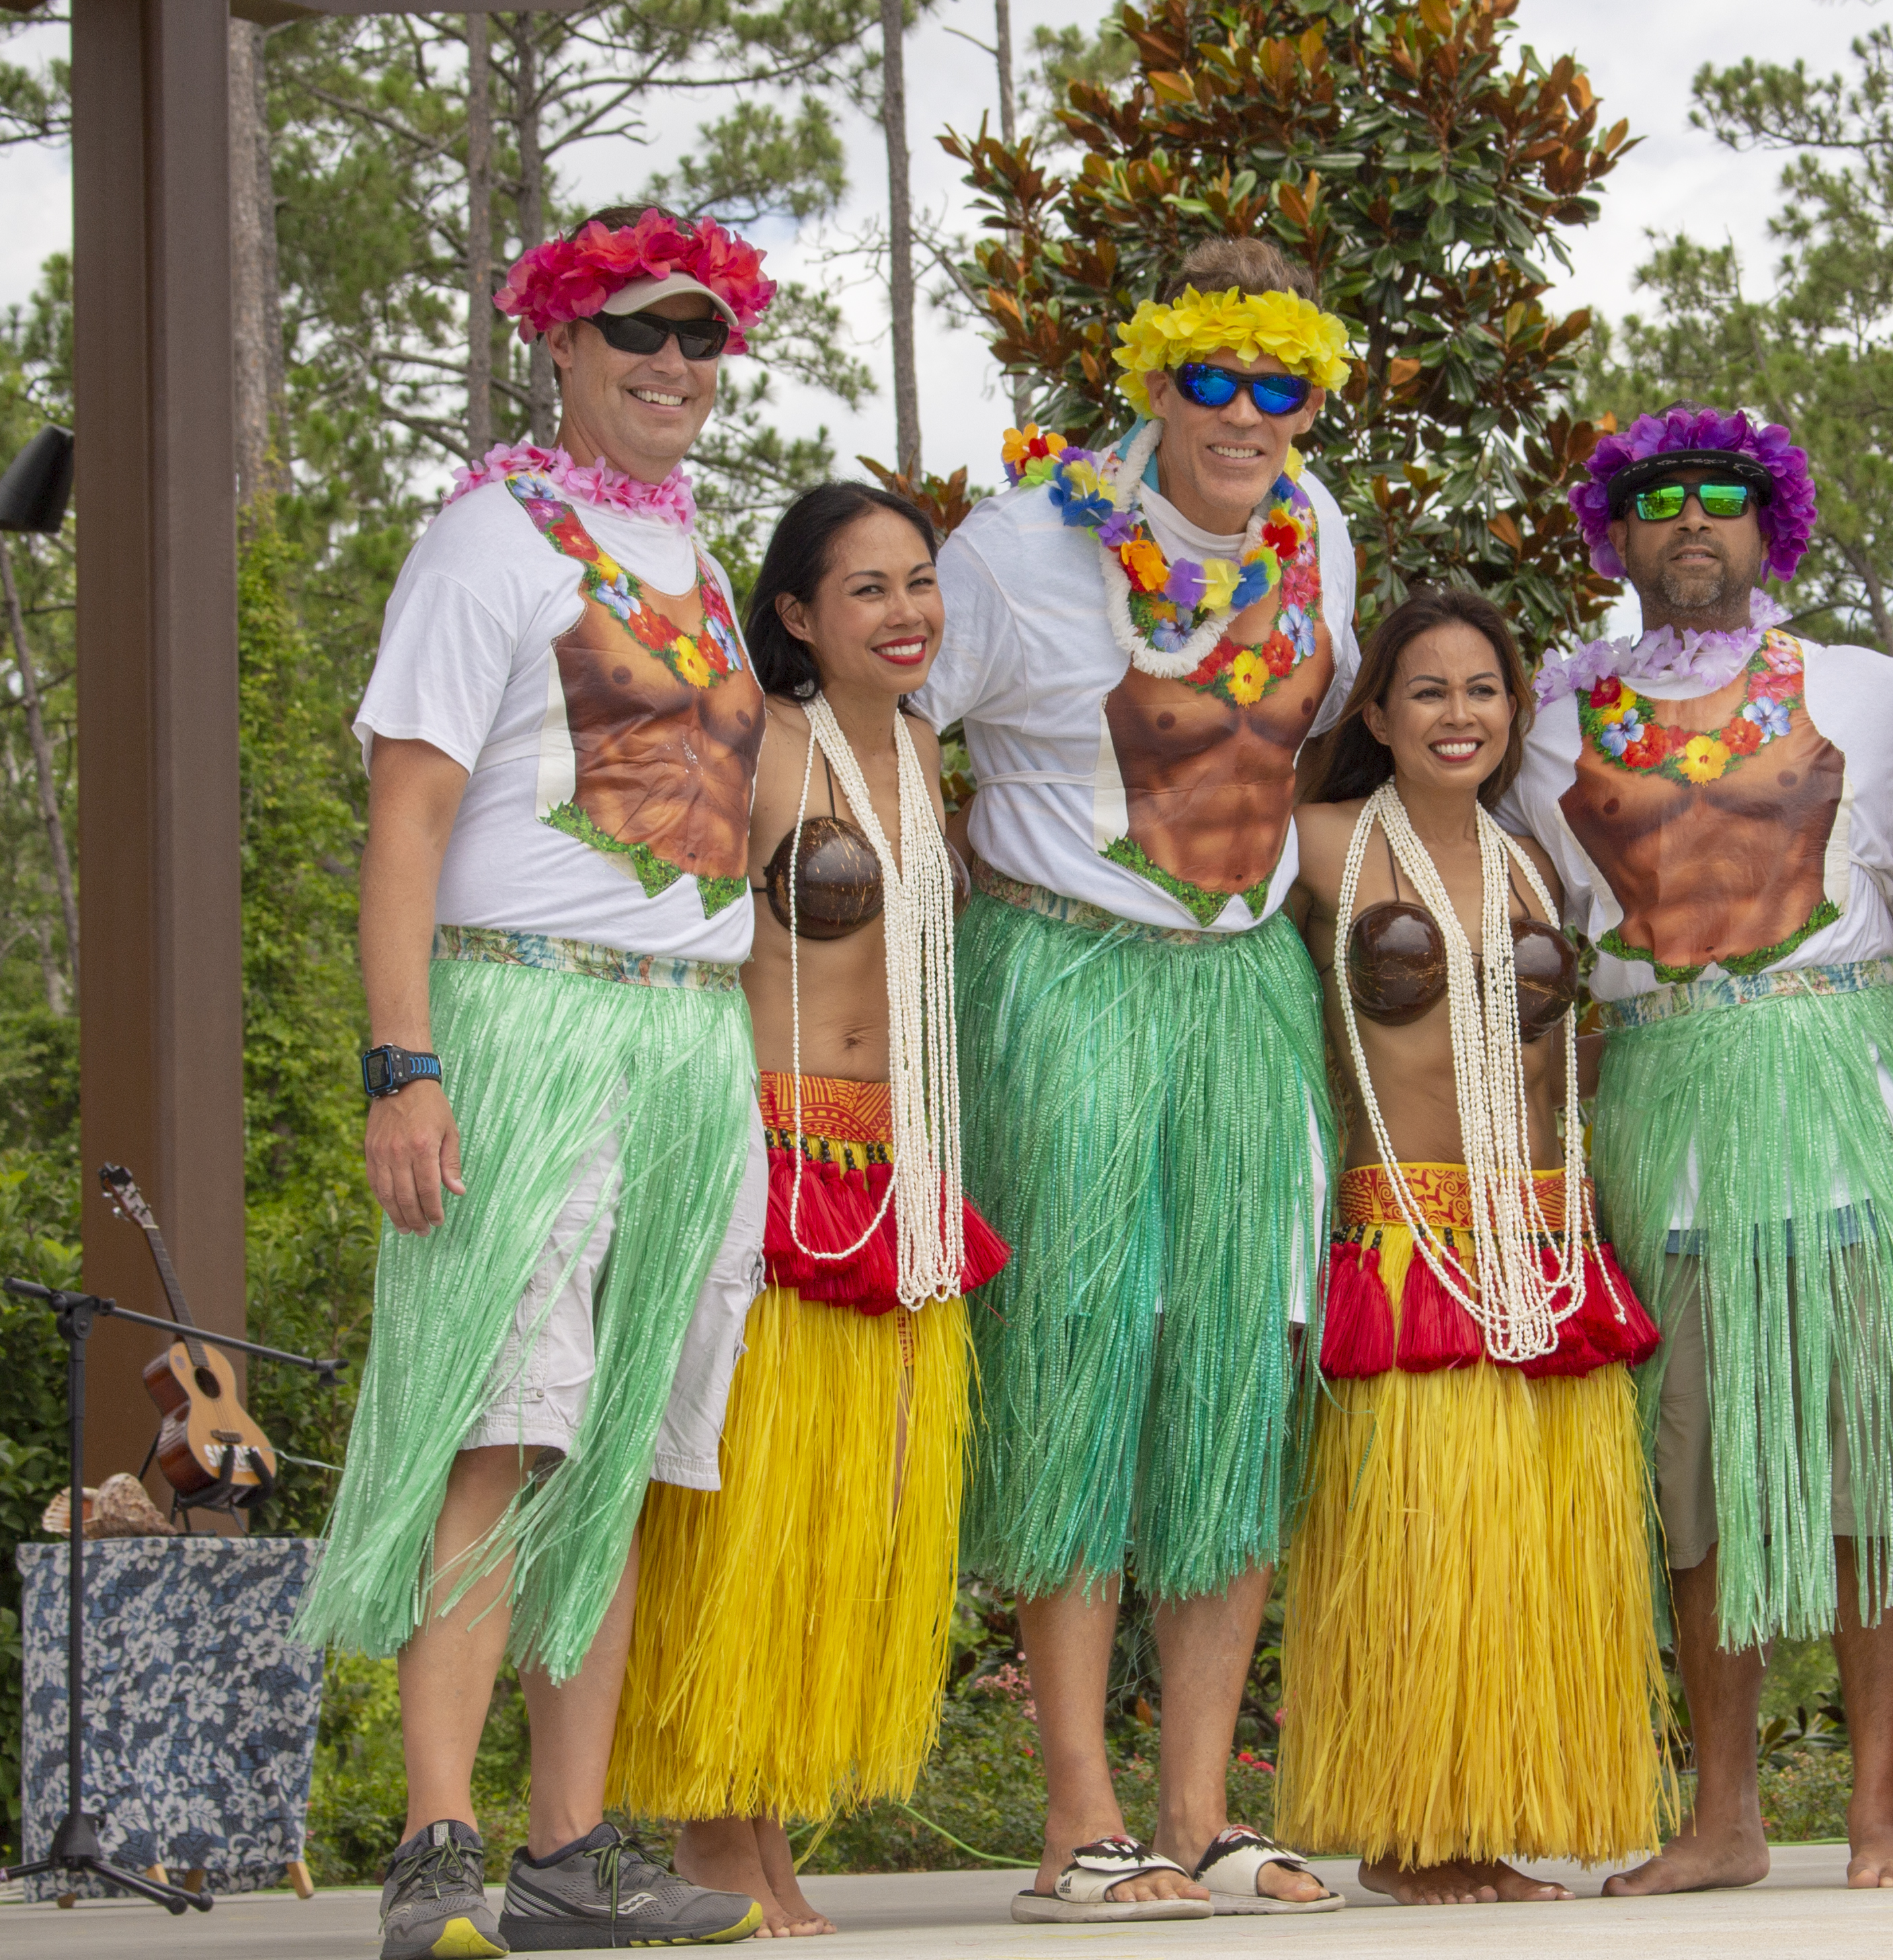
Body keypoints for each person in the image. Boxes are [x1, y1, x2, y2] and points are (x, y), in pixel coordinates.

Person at [307, 206, 778, 1957]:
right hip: (521, 1019)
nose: (671, 364)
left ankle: (573, 1853)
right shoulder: (487, 542)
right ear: (563, 344)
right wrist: (403, 1063)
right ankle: (439, 1838)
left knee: (626, 1444)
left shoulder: (704, 569)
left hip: (685, 1035)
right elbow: (408, 824)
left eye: (701, 336)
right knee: (499, 1422)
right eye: (636, 331)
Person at [910, 236, 1353, 1922]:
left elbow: (1295, 746)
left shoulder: (1316, 530)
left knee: (1234, 1375)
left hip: (1243, 989)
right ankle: (1077, 1813)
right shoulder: (1020, 547)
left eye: (1283, 384)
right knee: (1081, 1369)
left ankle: (1201, 1811)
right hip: (1071, 978)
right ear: (1154, 379)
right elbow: (895, 728)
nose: (1249, 415)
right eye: (1216, 379)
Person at [1503, 405, 1893, 1895]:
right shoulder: (1556, 720)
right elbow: (1516, 917)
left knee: (1874, 1464)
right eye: (1656, 501)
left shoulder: (1868, 689)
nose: (1690, 522)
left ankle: (1882, 1816)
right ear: (1617, 534)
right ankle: (1725, 1819)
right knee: (1698, 1469)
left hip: (1842, 1086)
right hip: (1667, 1100)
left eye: (1721, 497)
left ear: (1770, 525)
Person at [605, 485, 1010, 1937]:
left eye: (921, 585)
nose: (908, 615)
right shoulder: (756, 743)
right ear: (792, 615)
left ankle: (766, 1831)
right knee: (744, 1509)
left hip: (899, 1176)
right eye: (868, 593)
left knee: (846, 1524)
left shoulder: (914, 748)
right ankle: (715, 1832)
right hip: (769, 1159)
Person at [1276, 587, 1671, 1906]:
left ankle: (1490, 1818)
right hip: (1405, 1232)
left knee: (1525, 1557)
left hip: (1543, 1237)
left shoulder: (1529, 864)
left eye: (1485, 689)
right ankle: (1411, 1834)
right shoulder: (1317, 842)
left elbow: (1560, 1055)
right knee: (1418, 1539)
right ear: (1376, 715)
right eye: (1429, 691)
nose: (1460, 714)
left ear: (1515, 713)